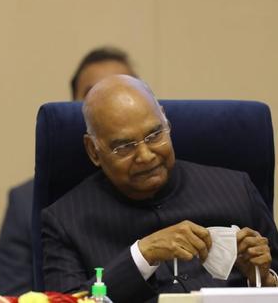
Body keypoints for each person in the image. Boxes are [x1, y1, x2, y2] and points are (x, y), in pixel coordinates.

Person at [41, 75, 278, 302]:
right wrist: (142, 256)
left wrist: (263, 280)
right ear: (93, 150)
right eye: (124, 146)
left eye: (155, 135)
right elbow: (67, 302)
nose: (145, 156)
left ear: (167, 123)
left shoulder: (237, 190)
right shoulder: (64, 222)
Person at [0, 47, 137, 295]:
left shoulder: (172, 191)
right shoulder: (26, 202)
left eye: (122, 90)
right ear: (74, 109)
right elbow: (10, 296)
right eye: (95, 94)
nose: (111, 103)